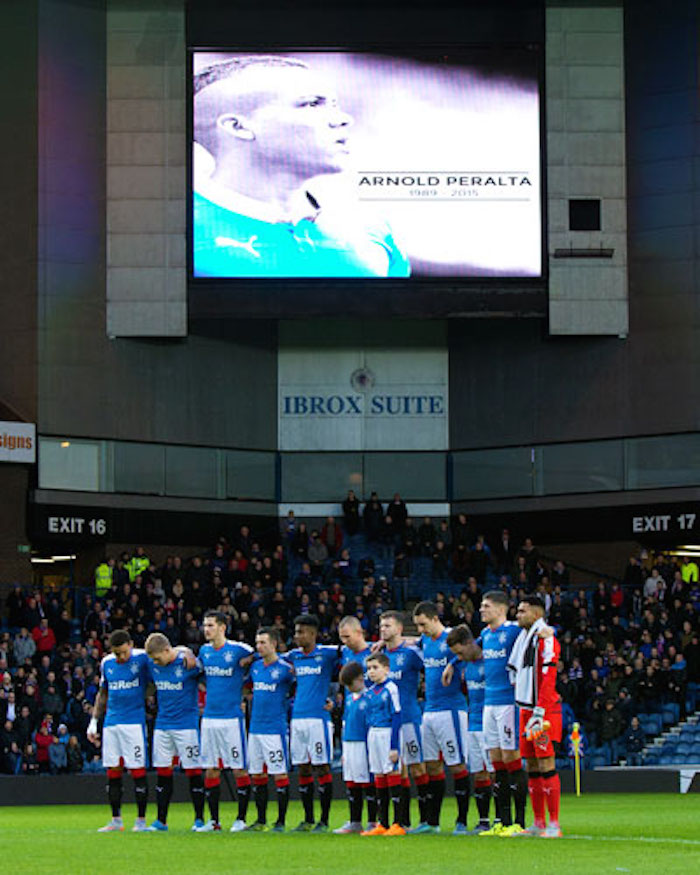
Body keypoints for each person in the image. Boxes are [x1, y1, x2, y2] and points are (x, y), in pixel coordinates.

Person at [193, 55, 410, 278]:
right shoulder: (174, 234)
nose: (344, 119)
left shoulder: (372, 230)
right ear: (238, 127)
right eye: (313, 104)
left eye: (335, 105)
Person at [411, 601, 471, 835]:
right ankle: (432, 823)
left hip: (451, 710)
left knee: (456, 765)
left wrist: (453, 663)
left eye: (423, 624)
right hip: (430, 711)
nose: (420, 630)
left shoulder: (451, 637)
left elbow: (473, 648)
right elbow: (411, 643)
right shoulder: (424, 641)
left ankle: (462, 821)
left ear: (435, 618)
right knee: (432, 766)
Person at [473, 591, 528, 835]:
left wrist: (548, 630)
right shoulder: (485, 634)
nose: (481, 610)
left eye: (486, 606)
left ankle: (519, 821)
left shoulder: (514, 630)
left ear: (500, 609)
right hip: (489, 703)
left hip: (508, 703)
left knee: (511, 759)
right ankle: (502, 821)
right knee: (495, 761)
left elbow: (540, 631)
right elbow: (466, 649)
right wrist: (452, 666)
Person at [508, 595, 563, 838]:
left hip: (543, 710)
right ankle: (538, 822)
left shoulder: (546, 639)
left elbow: (549, 677)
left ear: (536, 614)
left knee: (546, 762)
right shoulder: (524, 638)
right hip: (526, 709)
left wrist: (540, 711)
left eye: (522, 611)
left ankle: (554, 824)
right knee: (530, 764)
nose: (518, 615)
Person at [87, 629, 151, 832]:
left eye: (124, 652)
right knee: (113, 771)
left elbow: (165, 656)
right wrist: (94, 721)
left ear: (131, 645)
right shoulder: (107, 663)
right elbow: (103, 693)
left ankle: (141, 821)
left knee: (137, 771)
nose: (121, 657)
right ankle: (116, 820)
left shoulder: (142, 657)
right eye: (117, 654)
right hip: (112, 723)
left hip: (134, 723)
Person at [196, 610, 255, 832]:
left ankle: (240, 819)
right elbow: (200, 675)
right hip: (210, 718)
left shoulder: (239, 649)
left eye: (210, 625)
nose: (206, 629)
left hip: (232, 719)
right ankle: (214, 821)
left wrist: (248, 667)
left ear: (222, 627)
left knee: (239, 768)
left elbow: (260, 654)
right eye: (205, 625)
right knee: (211, 769)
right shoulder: (204, 651)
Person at [143, 632, 205, 832]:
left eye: (157, 658)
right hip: (162, 726)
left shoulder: (188, 664)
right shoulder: (153, 663)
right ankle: (161, 821)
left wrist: (185, 651)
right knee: (163, 773)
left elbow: (205, 670)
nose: (155, 662)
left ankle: (199, 820)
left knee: (193, 772)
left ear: (167, 651)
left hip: (186, 727)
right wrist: (182, 648)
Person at [285, 615, 339, 832]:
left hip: (319, 719)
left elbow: (355, 655)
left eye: (302, 632)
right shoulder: (293, 657)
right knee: (303, 768)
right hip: (297, 719)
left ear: (313, 634)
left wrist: (336, 699)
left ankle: (324, 821)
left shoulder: (328, 653)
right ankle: (308, 819)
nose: (297, 636)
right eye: (296, 631)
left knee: (321, 765)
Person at [379, 610, 429, 830]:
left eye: (387, 625)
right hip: (388, 722)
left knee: (417, 767)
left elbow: (430, 667)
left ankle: (428, 820)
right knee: (398, 770)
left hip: (409, 718)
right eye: (381, 625)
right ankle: (404, 822)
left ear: (399, 629)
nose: (383, 629)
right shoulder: (380, 657)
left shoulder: (410, 654)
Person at [446, 625, 494, 833]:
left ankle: (503, 818)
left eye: (459, 652)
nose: (459, 656)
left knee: (495, 771)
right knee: (478, 773)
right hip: (472, 722)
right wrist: (452, 662)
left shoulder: (490, 659)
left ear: (468, 643)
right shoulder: (467, 664)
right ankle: (483, 820)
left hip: (490, 723)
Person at [246, 627, 294, 832]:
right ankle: (261, 820)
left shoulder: (285, 669)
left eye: (263, 642)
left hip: (275, 729)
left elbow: (299, 688)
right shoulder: (255, 667)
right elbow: (248, 688)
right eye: (257, 643)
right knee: (257, 774)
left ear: (274, 644)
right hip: (255, 729)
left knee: (279, 774)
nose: (259, 646)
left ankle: (281, 821)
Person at [360, 653, 405, 836]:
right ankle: (383, 823)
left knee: (392, 773)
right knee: (379, 775)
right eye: (369, 668)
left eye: (375, 668)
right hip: (374, 734)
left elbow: (397, 716)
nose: (371, 672)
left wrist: (394, 746)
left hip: (387, 733)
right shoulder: (370, 692)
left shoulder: (391, 688)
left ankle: (398, 823)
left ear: (386, 669)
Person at [336, 660, 372, 835]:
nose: (349, 688)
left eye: (350, 684)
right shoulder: (349, 699)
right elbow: (344, 723)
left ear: (360, 679)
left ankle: (373, 821)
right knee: (351, 783)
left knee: (367, 782)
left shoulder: (370, 698)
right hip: (349, 744)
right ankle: (355, 821)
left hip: (363, 743)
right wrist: (344, 749)